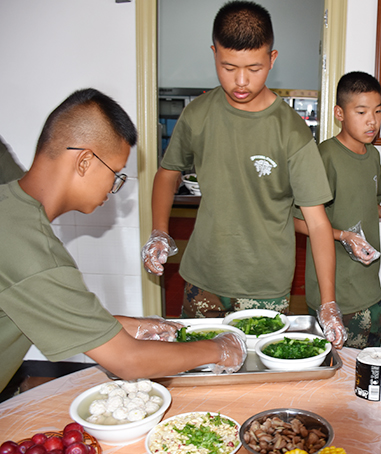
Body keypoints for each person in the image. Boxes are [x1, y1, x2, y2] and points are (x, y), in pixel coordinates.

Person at [0, 88, 247, 392]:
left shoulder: (10, 208)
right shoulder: (35, 254)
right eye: (116, 173)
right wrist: (220, 347)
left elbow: (56, 310)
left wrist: (133, 325)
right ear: (84, 161)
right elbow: (128, 361)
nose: (113, 187)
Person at [141, 1, 345, 348]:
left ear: (272, 59)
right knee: (197, 366)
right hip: (203, 276)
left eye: (254, 68)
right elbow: (167, 173)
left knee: (254, 372)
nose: (240, 81)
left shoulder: (291, 131)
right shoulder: (197, 115)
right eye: (228, 67)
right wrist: (159, 231)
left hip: (264, 288)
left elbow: (317, 222)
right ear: (213, 54)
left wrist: (327, 302)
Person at [294, 72, 381, 349]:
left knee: (370, 367)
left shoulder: (373, 155)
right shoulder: (325, 157)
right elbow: (298, 221)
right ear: (339, 113)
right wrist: (344, 236)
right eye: (361, 112)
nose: (373, 121)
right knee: (335, 371)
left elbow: (368, 204)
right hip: (335, 297)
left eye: (378, 111)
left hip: (370, 292)